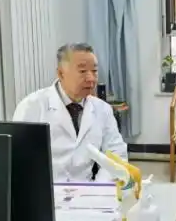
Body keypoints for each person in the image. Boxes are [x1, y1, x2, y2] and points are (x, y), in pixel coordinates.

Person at [13, 42, 127, 181]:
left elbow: (116, 154)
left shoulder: (102, 109)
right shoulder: (32, 106)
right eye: (83, 71)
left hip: (89, 189)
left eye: (94, 71)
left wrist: (98, 186)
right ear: (61, 73)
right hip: (46, 189)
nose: (91, 78)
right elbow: (18, 159)